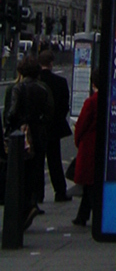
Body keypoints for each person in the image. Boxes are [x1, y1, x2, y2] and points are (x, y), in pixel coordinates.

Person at [3, 54, 54, 229]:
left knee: (17, 173)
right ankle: (32, 202)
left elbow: (11, 114)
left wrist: (10, 127)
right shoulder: (43, 88)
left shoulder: (17, 88)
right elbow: (49, 112)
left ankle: (23, 208)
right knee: (34, 170)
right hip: (38, 135)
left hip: (21, 137)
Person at [38, 48, 71, 203]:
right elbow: (65, 106)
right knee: (55, 160)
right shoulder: (60, 82)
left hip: (38, 127)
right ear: (51, 63)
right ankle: (60, 191)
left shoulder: (36, 81)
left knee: (37, 161)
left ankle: (37, 194)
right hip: (54, 127)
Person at [72, 71, 99, 227]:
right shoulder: (111, 99)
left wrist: (78, 140)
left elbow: (81, 125)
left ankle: (91, 216)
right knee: (91, 184)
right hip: (98, 146)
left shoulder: (91, 102)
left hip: (89, 145)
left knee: (90, 184)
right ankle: (82, 216)